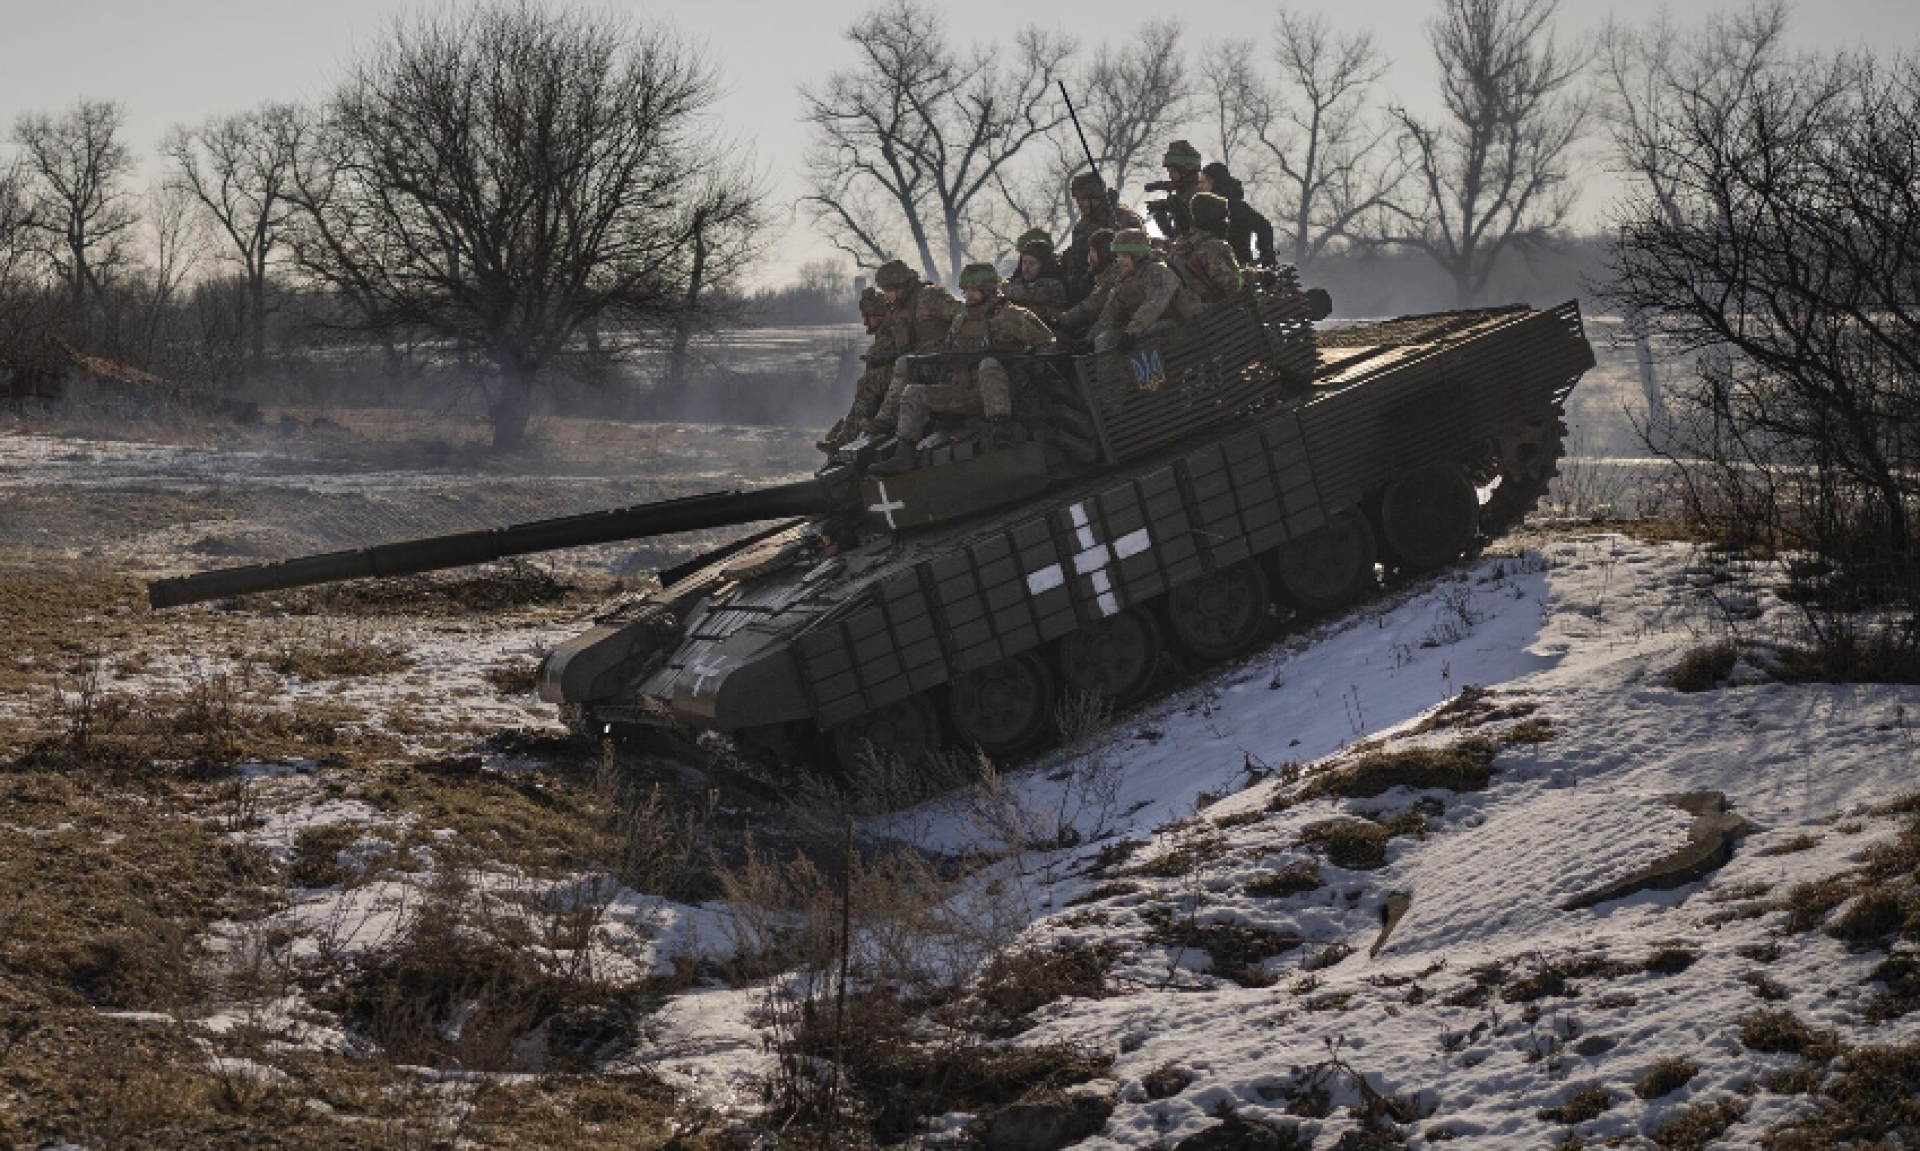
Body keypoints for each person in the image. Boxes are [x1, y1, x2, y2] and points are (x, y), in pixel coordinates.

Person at [884, 263, 1056, 461]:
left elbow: (1047, 343)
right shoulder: (960, 320)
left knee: (988, 364)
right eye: (965, 290)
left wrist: (1031, 372)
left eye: (974, 290)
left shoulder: (1011, 316)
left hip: (1007, 396)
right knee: (913, 392)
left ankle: (1001, 431)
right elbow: (949, 353)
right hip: (968, 394)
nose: (968, 295)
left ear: (988, 289)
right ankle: (903, 454)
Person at [867, 259, 964, 436]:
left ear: (901, 286)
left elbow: (962, 315)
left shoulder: (929, 296)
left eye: (889, 290)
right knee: (872, 379)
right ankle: (853, 432)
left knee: (905, 364)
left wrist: (949, 344)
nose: (886, 296)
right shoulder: (897, 309)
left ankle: (886, 419)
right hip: (920, 361)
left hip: (941, 362)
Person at [1090, 228, 1200, 352]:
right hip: (1145, 331)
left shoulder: (1157, 271)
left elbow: (1154, 304)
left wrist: (1132, 331)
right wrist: (1090, 338)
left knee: (1151, 332)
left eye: (1124, 256)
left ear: (1137, 255)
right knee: (1105, 339)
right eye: (1118, 256)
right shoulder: (1124, 281)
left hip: (1179, 328)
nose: (1119, 261)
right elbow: (1110, 313)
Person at [819, 286, 897, 452]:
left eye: (869, 317)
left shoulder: (893, 331)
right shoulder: (885, 332)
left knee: (867, 385)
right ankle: (845, 435)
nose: (865, 322)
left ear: (881, 315)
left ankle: (845, 439)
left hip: (898, 379)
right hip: (893, 381)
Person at [1059, 171, 1145, 305]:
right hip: (1086, 287)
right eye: (1077, 200)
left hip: (1120, 285)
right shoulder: (1081, 227)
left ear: (1095, 197)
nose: (1079, 204)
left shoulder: (1124, 218)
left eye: (1082, 199)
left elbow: (1137, 257)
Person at [1168, 192, 1243, 304]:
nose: (1227, 222)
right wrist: (1256, 275)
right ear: (1213, 219)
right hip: (1227, 311)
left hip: (1200, 314)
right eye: (1224, 217)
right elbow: (1233, 285)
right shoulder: (1213, 247)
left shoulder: (1179, 246)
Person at [1201, 162, 1276, 268]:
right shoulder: (1206, 206)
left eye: (1204, 182)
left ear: (1214, 182)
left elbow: (1263, 227)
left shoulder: (1235, 206)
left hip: (1237, 267)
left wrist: (1266, 259)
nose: (1201, 186)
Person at [1055, 228, 1116, 338]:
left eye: (1093, 251)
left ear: (1104, 253)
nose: (1089, 257)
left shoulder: (1114, 276)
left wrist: (1063, 319)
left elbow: (1094, 305)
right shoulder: (1096, 276)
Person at [1001, 227, 1068, 325]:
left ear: (1043, 265)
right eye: (1024, 262)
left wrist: (997, 285)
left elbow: (1022, 292)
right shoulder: (1019, 281)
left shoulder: (1053, 285)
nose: (1026, 268)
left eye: (1032, 263)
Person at [1145, 139, 1205, 239]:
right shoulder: (1183, 191)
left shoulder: (1199, 194)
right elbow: (1178, 238)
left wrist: (1169, 205)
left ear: (1185, 170)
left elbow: (1193, 235)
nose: (1170, 175)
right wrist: (1163, 222)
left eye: (1172, 171)